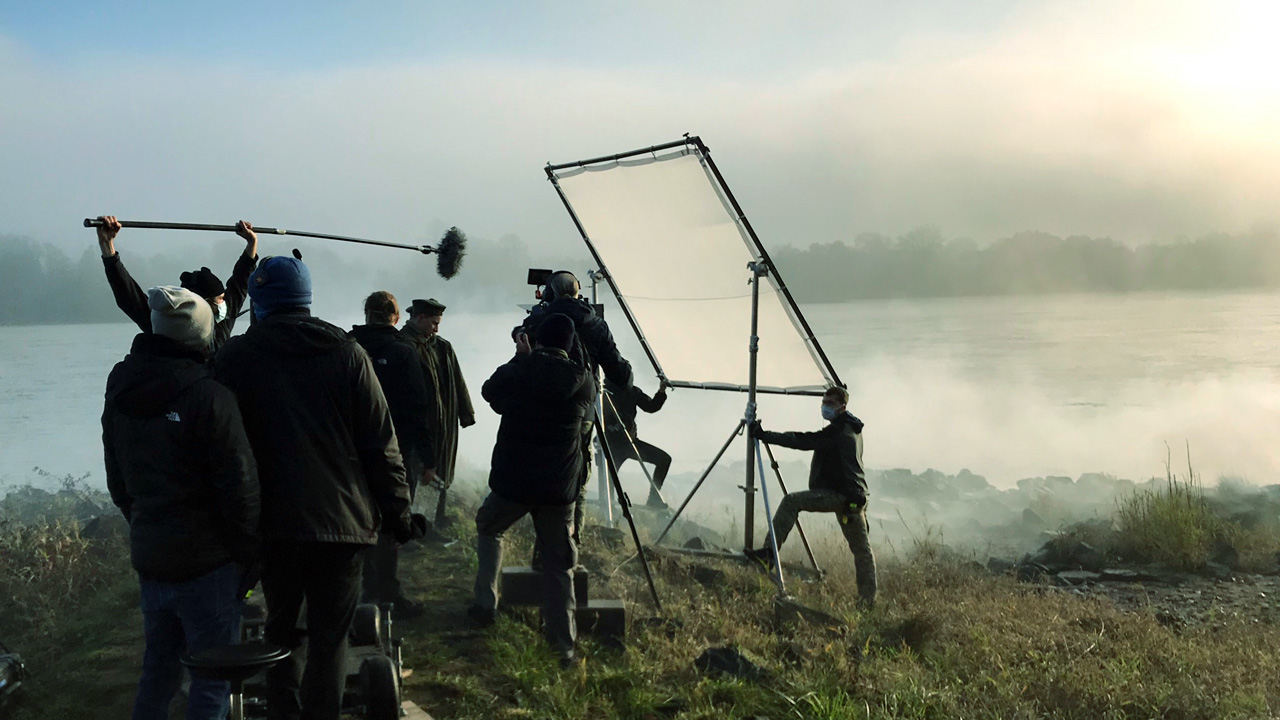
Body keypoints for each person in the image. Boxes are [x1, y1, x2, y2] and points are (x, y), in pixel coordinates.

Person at [214, 256, 413, 720]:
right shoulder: (347, 353)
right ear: (306, 300)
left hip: (271, 525)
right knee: (331, 638)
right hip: (342, 525)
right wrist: (398, 513)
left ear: (259, 304)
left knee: (282, 629)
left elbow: (219, 447)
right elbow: (381, 443)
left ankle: (284, 711)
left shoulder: (235, 358)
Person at [103, 286, 259, 720]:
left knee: (158, 671)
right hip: (208, 563)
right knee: (211, 678)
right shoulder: (211, 397)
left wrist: (141, 520)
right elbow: (240, 486)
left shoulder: (120, 387)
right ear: (202, 336)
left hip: (152, 554)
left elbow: (117, 475)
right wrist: (249, 556)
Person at [469, 314, 593, 668]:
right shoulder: (582, 382)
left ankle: (484, 605)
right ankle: (563, 645)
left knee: (489, 526)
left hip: (514, 479)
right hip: (558, 488)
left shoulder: (520, 370)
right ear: (569, 344)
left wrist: (519, 359)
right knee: (559, 563)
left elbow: (489, 392)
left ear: (535, 340)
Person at [518, 271, 633, 541]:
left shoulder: (540, 319)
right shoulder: (596, 324)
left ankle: (542, 540)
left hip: (541, 407)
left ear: (550, 293)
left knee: (540, 468)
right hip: (582, 410)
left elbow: (519, 341)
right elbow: (621, 375)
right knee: (576, 473)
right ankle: (571, 542)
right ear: (579, 293)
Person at [349, 291, 438, 618]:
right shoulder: (404, 352)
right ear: (396, 318)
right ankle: (385, 592)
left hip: (348, 450)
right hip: (392, 450)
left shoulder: (347, 346)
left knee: (355, 518)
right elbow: (417, 409)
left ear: (367, 313)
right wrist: (428, 456)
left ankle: (358, 590)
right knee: (389, 522)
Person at [746, 386, 876, 607]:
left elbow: (802, 441)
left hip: (844, 497)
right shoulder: (852, 427)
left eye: (830, 404)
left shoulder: (839, 431)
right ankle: (866, 602)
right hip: (853, 497)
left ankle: (768, 555)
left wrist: (764, 434)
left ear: (842, 407)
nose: (825, 407)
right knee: (862, 550)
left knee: (791, 501)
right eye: (823, 402)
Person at [94, 215, 259, 350]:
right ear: (205, 304)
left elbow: (240, 282)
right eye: (221, 298)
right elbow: (129, 296)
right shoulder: (165, 326)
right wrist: (107, 246)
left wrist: (251, 243)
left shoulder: (222, 323)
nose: (225, 303)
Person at [401, 298, 475, 527]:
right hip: (419, 422)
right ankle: (414, 525)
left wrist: (466, 413)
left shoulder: (442, 347)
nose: (437, 328)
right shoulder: (404, 346)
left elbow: (457, 381)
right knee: (416, 472)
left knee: (440, 469)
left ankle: (432, 520)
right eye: (434, 323)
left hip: (444, 420)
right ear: (420, 318)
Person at [602, 376, 671, 508]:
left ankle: (654, 500)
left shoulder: (632, 392)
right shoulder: (604, 393)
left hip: (630, 443)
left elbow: (651, 406)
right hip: (612, 445)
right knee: (609, 477)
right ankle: (608, 506)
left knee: (664, 459)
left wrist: (661, 392)